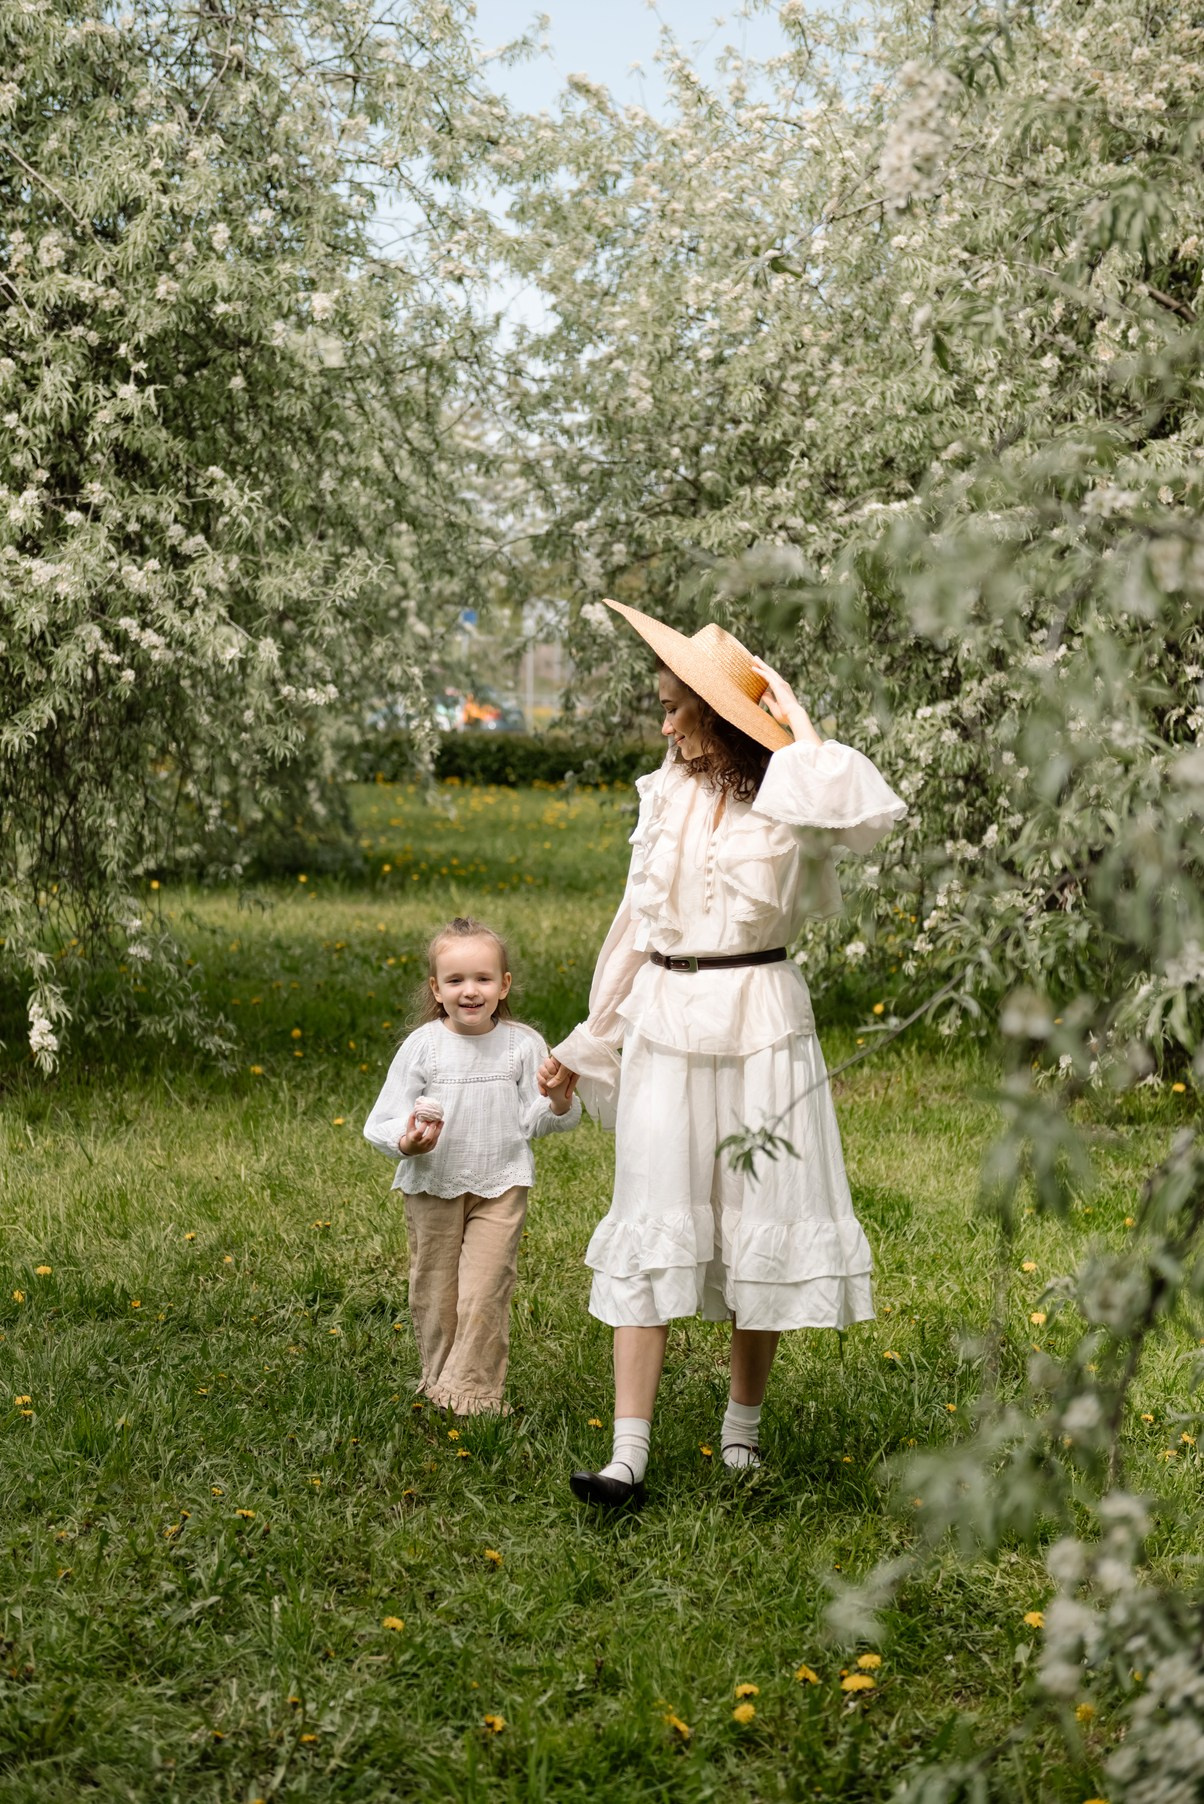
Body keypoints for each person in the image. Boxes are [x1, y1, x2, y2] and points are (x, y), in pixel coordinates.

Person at [538, 601, 907, 1507]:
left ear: (721, 718)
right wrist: (590, 1042)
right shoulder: (663, 791)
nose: (665, 722)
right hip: (665, 1014)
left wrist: (792, 720)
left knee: (757, 1219)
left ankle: (741, 1437)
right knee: (649, 1214)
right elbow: (635, 926)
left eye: (677, 707)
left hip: (759, 1015)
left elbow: (867, 820)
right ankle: (629, 1452)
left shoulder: (790, 791)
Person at [364, 915, 580, 1416]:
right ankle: (439, 1381)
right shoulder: (424, 1046)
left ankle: (473, 1394)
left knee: (485, 1292)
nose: (470, 991)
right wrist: (408, 1142)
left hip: (501, 1184)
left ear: (504, 985)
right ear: (435, 989)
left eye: (483, 978)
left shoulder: (523, 1045)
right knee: (437, 1293)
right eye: (456, 980)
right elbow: (381, 1121)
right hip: (431, 1185)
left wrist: (559, 1103)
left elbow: (538, 1119)